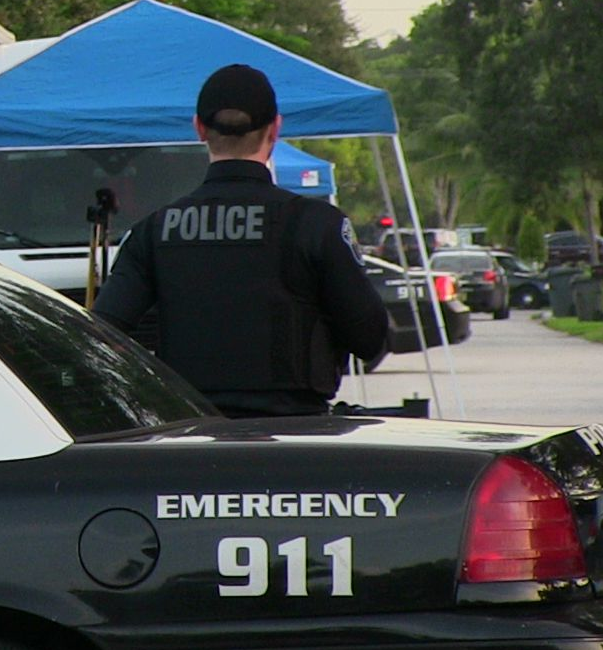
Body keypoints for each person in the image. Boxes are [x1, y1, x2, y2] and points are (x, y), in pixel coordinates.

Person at [92, 63, 388, 417]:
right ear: (275, 129)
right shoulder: (316, 224)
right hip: (296, 431)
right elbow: (370, 338)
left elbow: (102, 337)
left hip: (191, 431)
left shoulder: (154, 231)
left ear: (199, 128)